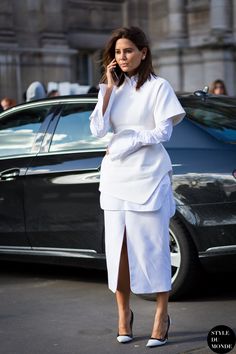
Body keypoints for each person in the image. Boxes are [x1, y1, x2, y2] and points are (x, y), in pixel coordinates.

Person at [89, 26, 186, 348]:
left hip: (149, 175)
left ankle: (161, 315)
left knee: (152, 249)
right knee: (118, 253)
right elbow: (98, 130)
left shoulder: (159, 87)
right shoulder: (111, 88)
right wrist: (106, 89)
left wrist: (129, 141)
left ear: (143, 52)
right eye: (117, 52)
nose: (122, 57)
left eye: (128, 51)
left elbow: (163, 132)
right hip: (115, 177)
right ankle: (123, 315)